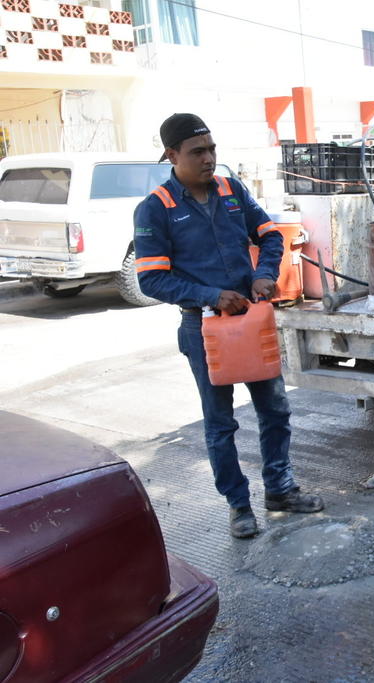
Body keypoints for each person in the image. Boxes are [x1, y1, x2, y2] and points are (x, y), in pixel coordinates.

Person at [133, 113, 323, 539]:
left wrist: (264, 274)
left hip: (252, 322)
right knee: (220, 424)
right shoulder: (156, 208)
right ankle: (238, 505)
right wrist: (210, 295)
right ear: (172, 155)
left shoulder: (230, 189)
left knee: (275, 410)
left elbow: (271, 234)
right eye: (198, 151)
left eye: (212, 149)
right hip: (204, 330)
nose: (209, 158)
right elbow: (151, 278)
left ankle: (280, 489)